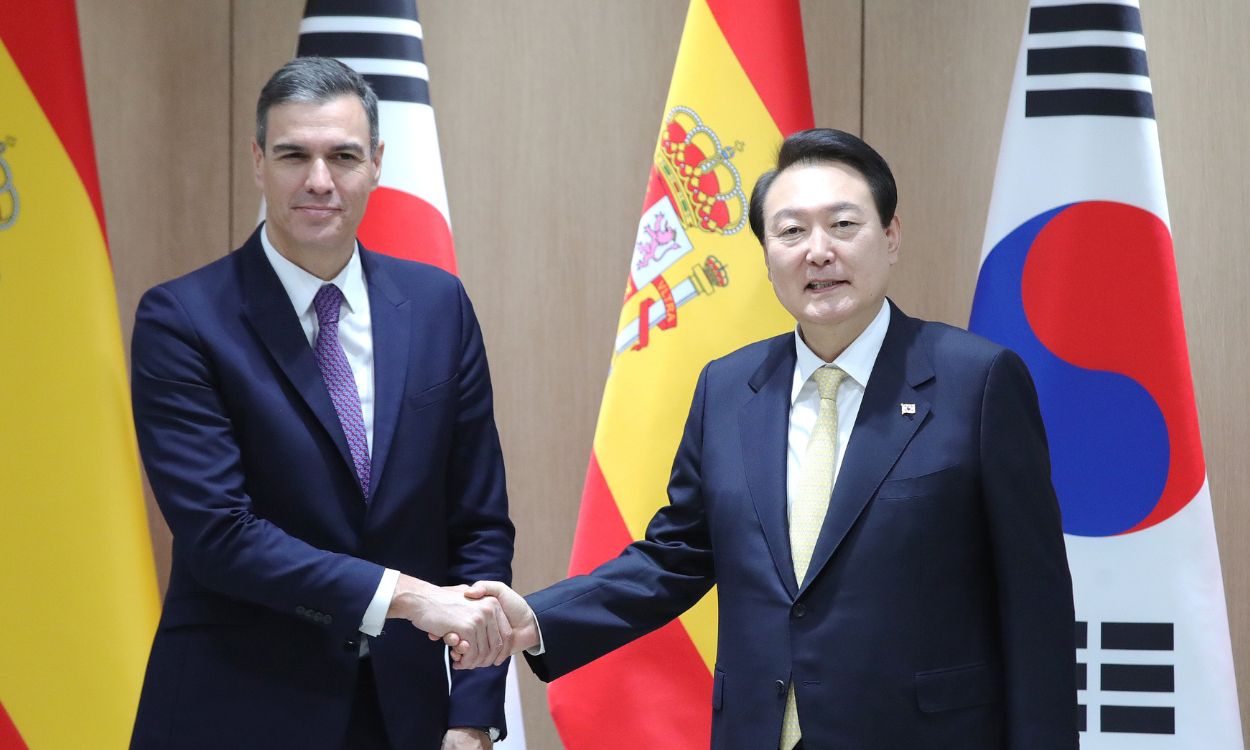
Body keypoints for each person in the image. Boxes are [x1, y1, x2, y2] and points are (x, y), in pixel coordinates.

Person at [461, 128, 1078, 749]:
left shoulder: (977, 381)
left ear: (891, 236)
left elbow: (1036, 605)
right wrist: (538, 617)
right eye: (791, 232)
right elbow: (677, 556)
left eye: (843, 224)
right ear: (766, 257)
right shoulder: (729, 390)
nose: (818, 252)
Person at [129, 57, 514, 750]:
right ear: (257, 162)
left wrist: (474, 712)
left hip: (408, 717)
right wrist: (406, 596)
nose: (318, 180)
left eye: (342, 155)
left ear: (376, 165)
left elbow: (478, 524)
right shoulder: (182, 320)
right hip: (237, 712)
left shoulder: (438, 308)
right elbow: (220, 535)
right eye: (292, 155)